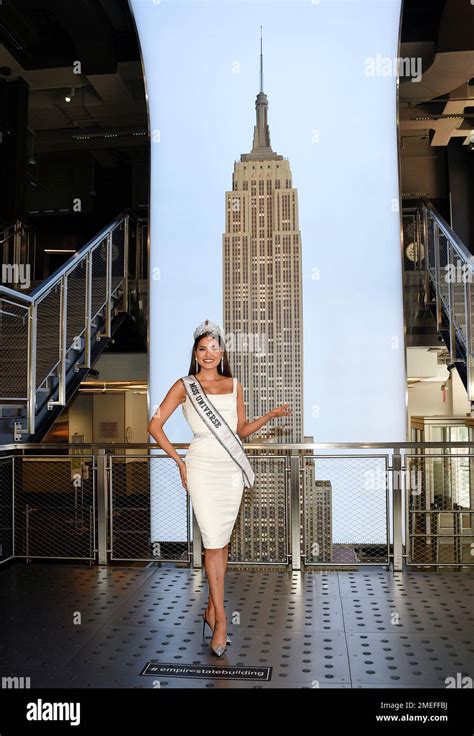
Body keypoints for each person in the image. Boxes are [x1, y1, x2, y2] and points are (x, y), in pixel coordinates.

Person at [147, 319, 291, 656]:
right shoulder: (184, 386)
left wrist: (269, 416)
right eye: (203, 348)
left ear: (222, 352)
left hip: (230, 470)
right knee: (213, 543)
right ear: (195, 354)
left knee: (221, 543)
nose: (209, 353)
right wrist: (179, 461)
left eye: (214, 348)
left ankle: (210, 611)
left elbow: (240, 431)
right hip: (201, 467)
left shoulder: (235, 384)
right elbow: (154, 426)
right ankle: (222, 619)